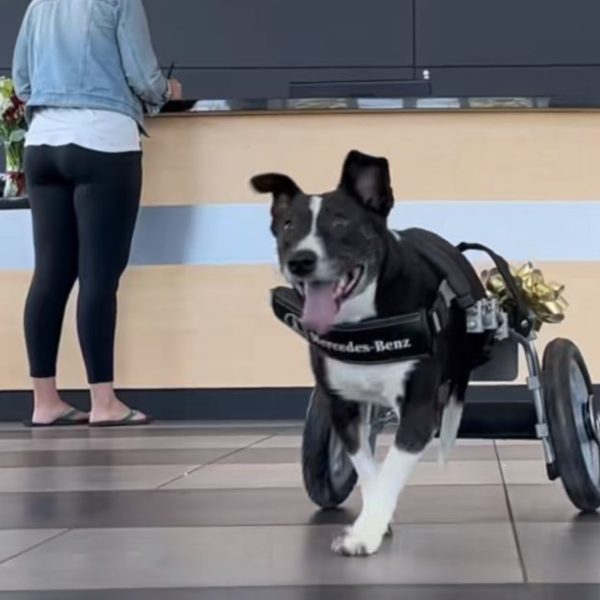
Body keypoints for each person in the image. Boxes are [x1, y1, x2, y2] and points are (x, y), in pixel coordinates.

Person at [12, 0, 182, 427]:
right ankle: (104, 403)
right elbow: (143, 75)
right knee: (98, 277)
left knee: (50, 274)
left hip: (43, 145)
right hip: (103, 141)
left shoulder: (39, 4)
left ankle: (45, 402)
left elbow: (22, 82)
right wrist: (167, 91)